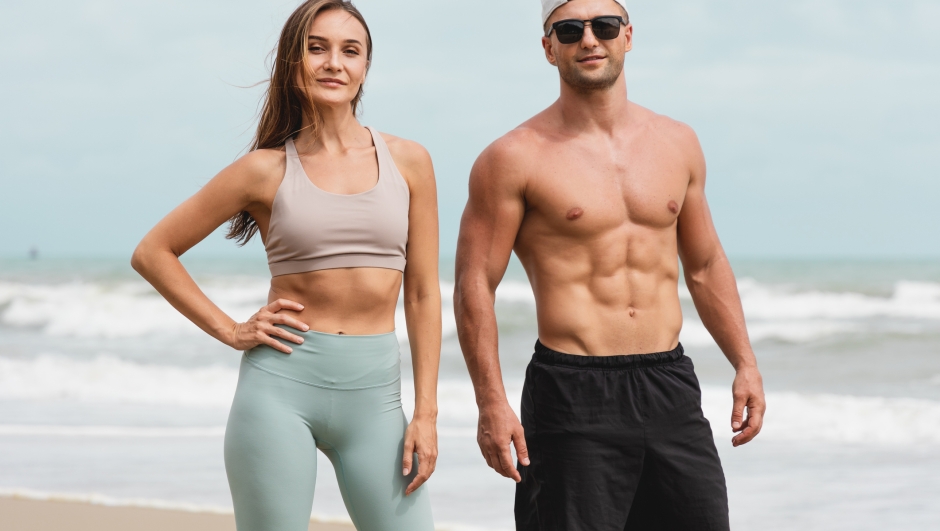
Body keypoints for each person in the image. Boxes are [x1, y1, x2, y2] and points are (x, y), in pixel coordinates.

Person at [454, 0, 766, 529]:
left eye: (603, 26)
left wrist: (746, 362)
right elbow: (474, 285)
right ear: (549, 48)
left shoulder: (678, 143)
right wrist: (491, 401)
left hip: (669, 383)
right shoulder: (512, 158)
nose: (589, 40)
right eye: (569, 30)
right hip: (571, 392)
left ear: (628, 36)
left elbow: (705, 264)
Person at [131, 1, 439, 529]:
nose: (333, 63)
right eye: (316, 48)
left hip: (376, 400)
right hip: (279, 391)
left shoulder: (409, 162)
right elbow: (153, 252)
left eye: (350, 51)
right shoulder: (263, 170)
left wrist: (427, 413)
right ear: (293, 63)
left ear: (365, 66)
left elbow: (423, 293)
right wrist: (231, 330)